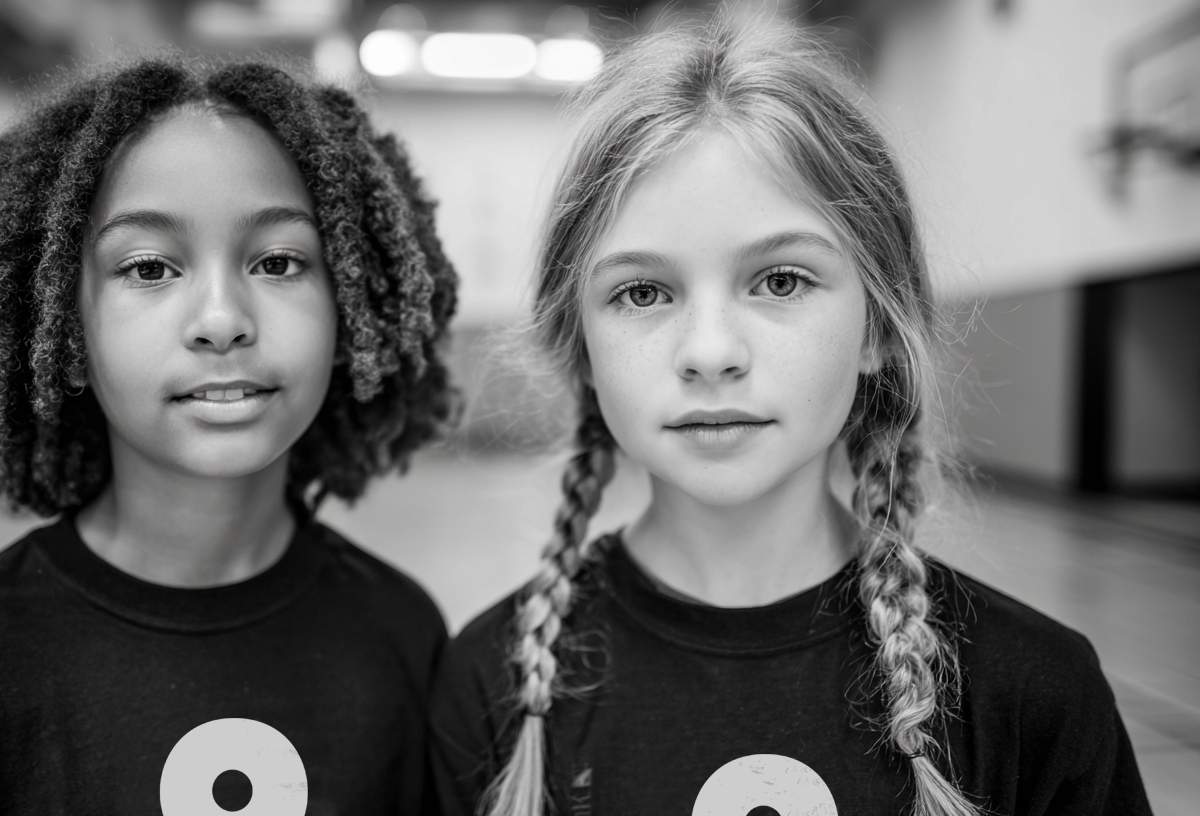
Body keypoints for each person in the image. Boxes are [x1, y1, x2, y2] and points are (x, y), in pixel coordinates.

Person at [429, 19, 1150, 816]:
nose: (710, 352)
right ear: (580, 345)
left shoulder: (1032, 690)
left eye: (779, 281)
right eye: (643, 293)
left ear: (878, 325)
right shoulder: (491, 682)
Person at [0, 56, 457, 815]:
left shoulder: (403, 637)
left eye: (278, 261)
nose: (221, 320)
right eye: (148, 268)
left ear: (353, 306)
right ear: (64, 324)